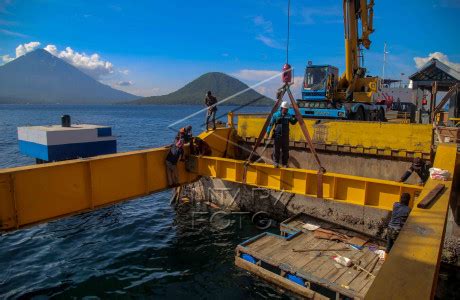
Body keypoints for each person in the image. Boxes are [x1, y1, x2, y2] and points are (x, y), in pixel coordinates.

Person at [265, 101, 298, 168]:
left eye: (287, 109)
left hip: (285, 136)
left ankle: (284, 163)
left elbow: (293, 122)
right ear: (282, 108)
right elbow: (271, 124)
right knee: (276, 149)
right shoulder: (275, 115)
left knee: (285, 150)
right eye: (285, 109)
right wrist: (267, 133)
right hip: (277, 135)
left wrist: (297, 118)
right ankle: (276, 163)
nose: (286, 110)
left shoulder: (288, 115)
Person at [385, 193, 411, 258]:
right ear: (408, 200)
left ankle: (385, 262)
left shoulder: (395, 205)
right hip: (397, 230)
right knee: (397, 248)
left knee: (388, 246)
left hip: (390, 228)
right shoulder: (408, 210)